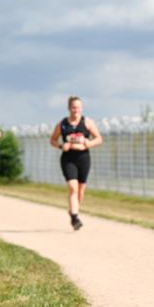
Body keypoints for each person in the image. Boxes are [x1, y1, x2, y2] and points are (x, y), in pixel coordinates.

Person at [49, 95, 103, 230]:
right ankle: (75, 218)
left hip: (83, 158)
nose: (76, 110)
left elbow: (99, 139)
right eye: (73, 107)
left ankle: (73, 211)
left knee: (80, 191)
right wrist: (62, 146)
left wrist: (89, 143)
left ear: (81, 108)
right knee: (73, 187)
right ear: (69, 108)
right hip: (68, 159)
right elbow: (52, 140)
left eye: (78, 107)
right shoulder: (62, 124)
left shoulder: (87, 123)